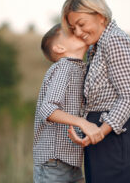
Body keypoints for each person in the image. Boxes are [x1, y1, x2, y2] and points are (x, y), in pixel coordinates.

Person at [61, 0, 130, 183]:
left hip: (118, 143)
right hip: (99, 142)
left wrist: (100, 131)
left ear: (100, 16)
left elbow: (129, 96)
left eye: (81, 24)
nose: (78, 32)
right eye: (73, 27)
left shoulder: (114, 40)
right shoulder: (96, 46)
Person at [33, 23, 104, 183]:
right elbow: (48, 109)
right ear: (59, 48)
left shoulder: (81, 68)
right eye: (72, 32)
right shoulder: (64, 66)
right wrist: (82, 123)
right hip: (54, 160)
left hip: (71, 161)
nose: (79, 32)